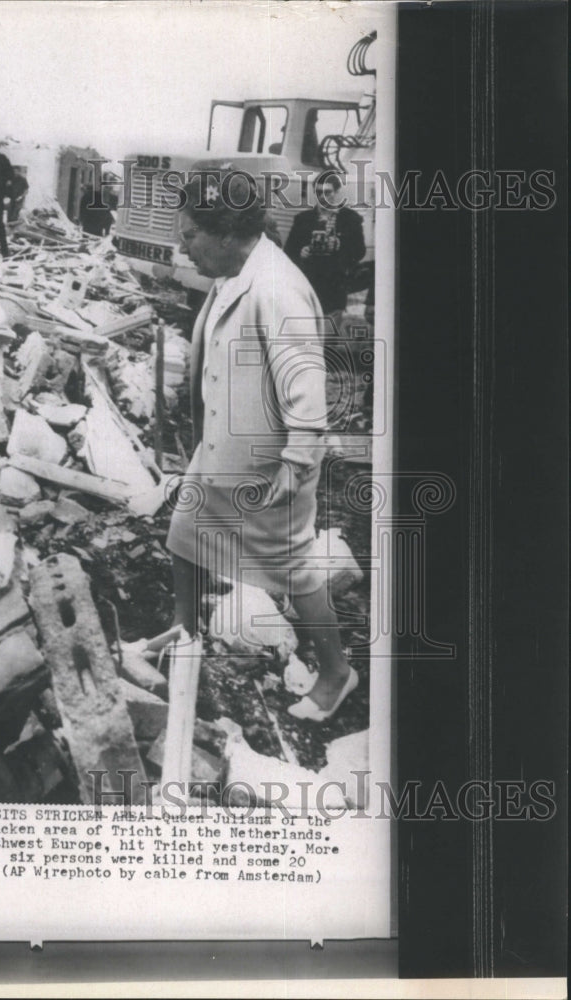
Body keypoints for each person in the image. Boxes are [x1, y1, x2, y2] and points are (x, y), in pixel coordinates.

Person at [164, 173, 357, 723]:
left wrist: (296, 464)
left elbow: (306, 387)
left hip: (270, 464)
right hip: (223, 449)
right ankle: (185, 628)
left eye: (191, 235)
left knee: (294, 570)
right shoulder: (233, 272)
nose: (184, 246)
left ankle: (337, 673)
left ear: (226, 234)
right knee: (184, 534)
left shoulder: (277, 286)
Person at [285, 173, 366, 318]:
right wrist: (300, 253)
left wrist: (340, 245)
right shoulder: (302, 219)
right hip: (307, 285)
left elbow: (360, 251)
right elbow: (288, 251)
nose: (322, 196)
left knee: (329, 336)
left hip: (335, 287)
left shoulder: (350, 219)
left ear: (336, 192)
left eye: (327, 192)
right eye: (318, 192)